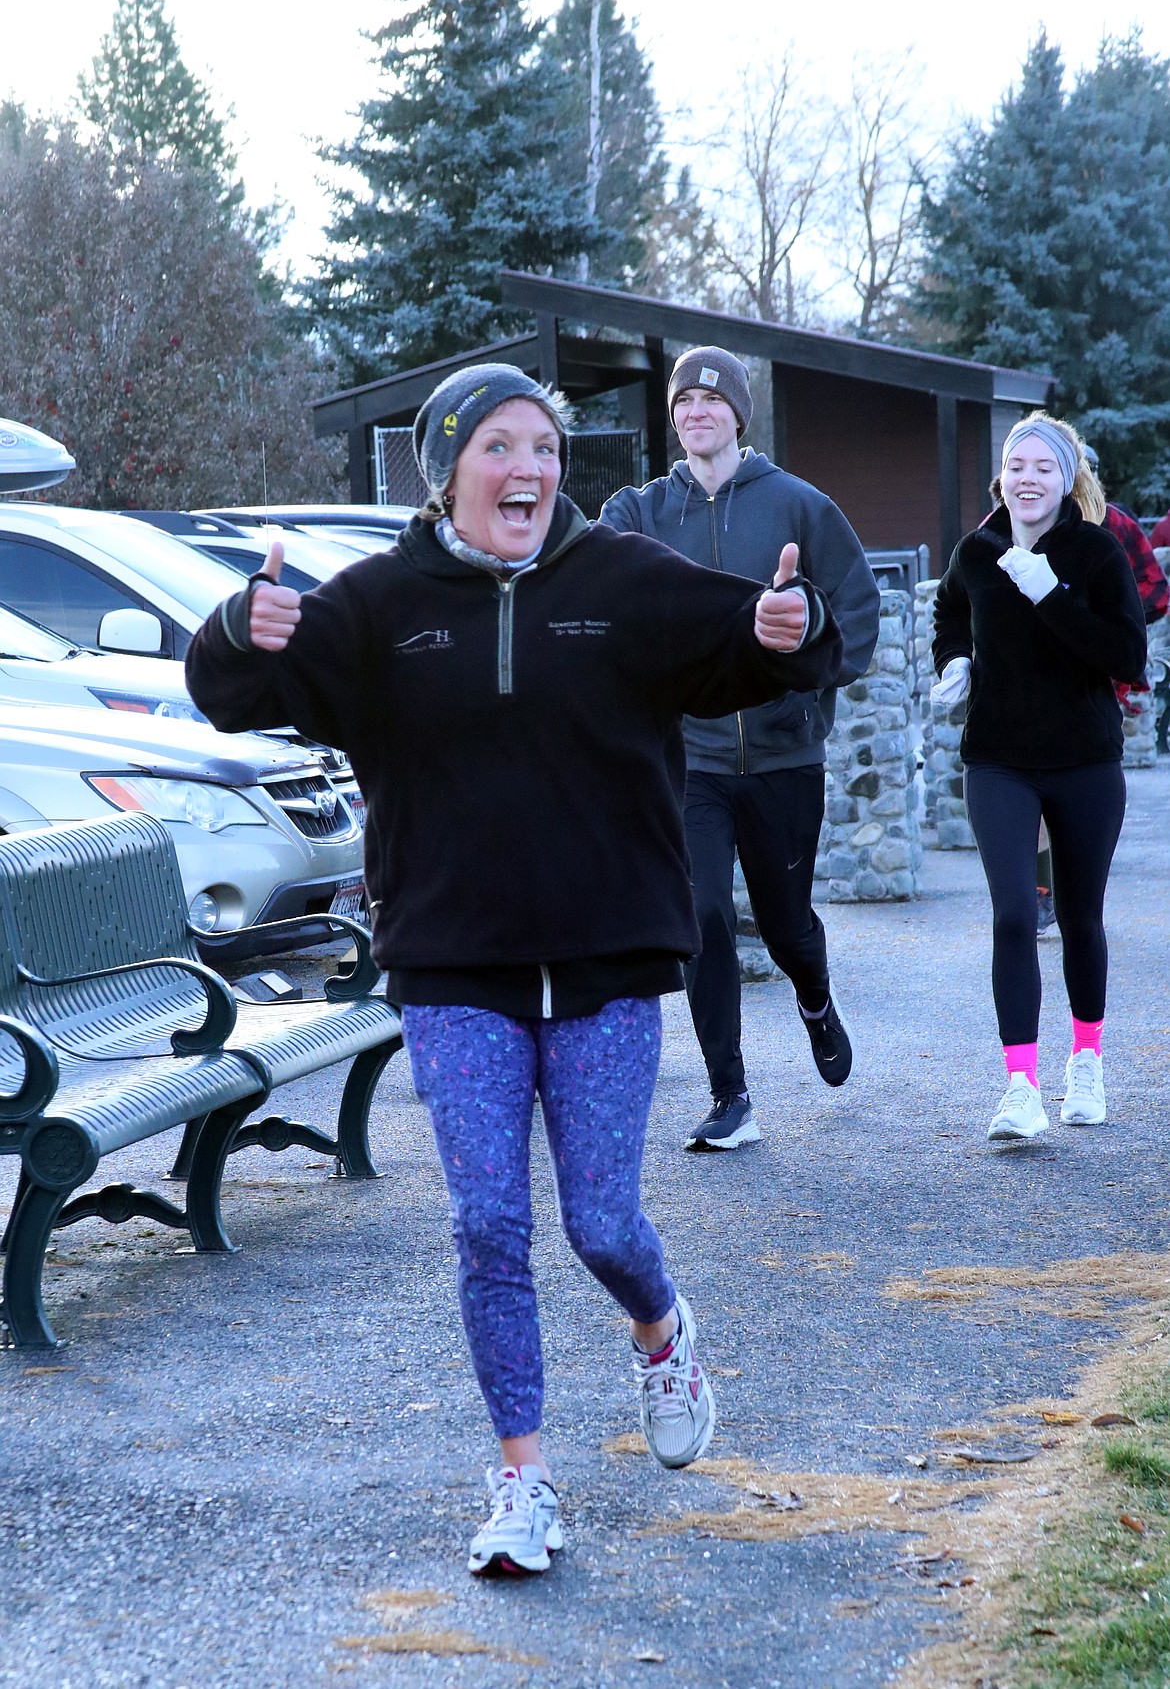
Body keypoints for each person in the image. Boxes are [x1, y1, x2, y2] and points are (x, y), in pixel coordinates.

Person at [184, 365, 842, 1578]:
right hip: (454, 964)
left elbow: (761, 646)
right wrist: (239, 630)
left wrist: (782, 629)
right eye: (499, 446)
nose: (530, 468)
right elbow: (235, 690)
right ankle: (523, 1482)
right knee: (488, 1224)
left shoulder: (625, 580)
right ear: (448, 474)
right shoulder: (382, 605)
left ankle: (661, 1332)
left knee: (599, 1221)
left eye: (543, 446)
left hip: (603, 959)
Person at [600, 347, 879, 1152]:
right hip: (692, 761)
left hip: (786, 758)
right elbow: (590, 581)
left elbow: (855, 613)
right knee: (704, 915)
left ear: (739, 415)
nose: (696, 412)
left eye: (712, 401)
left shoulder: (798, 505)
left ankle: (816, 1001)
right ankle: (731, 1094)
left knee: (787, 926)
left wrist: (806, 662)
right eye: (684, 401)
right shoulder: (643, 510)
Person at [931, 412, 1146, 1142]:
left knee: (1082, 916)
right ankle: (1020, 1085)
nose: (1028, 478)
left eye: (1043, 467)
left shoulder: (1095, 552)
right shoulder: (976, 550)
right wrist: (954, 662)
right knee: (1016, 914)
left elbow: (1126, 657)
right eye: (1016, 465)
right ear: (1002, 476)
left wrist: (1049, 592)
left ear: (1066, 479)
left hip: (1086, 759)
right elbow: (949, 612)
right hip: (998, 757)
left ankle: (1085, 1061)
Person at [1032, 448, 1167, 937]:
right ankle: (1042, 892)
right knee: (1033, 782)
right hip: (1033, 682)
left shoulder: (1115, 526)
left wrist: (1118, 618)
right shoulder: (1017, 520)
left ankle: (1071, 888)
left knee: (1079, 787)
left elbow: (1156, 588)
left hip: (1097, 685)